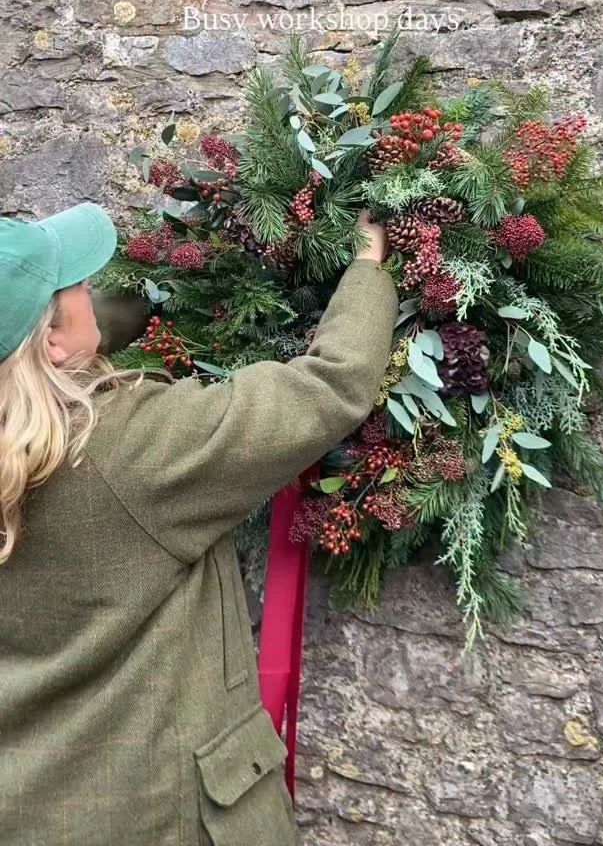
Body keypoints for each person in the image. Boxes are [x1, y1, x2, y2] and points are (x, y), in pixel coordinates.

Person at [0, 201, 397, 845]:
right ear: (51, 337)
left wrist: (171, 278)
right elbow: (329, 386)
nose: (88, 290)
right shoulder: (122, 452)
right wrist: (369, 262)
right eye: (75, 285)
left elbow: (65, 342)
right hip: (163, 818)